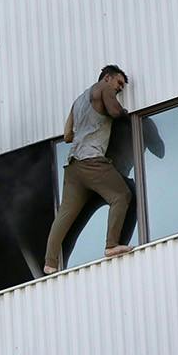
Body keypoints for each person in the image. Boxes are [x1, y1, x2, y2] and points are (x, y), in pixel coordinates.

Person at [43, 66, 133, 274]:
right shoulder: (103, 88)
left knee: (65, 214)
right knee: (121, 195)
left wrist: (86, 132)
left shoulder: (78, 101)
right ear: (107, 77)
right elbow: (115, 112)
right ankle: (111, 245)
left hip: (73, 166)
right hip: (92, 160)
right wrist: (126, 115)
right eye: (119, 83)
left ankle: (50, 263)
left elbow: (67, 136)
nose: (119, 88)